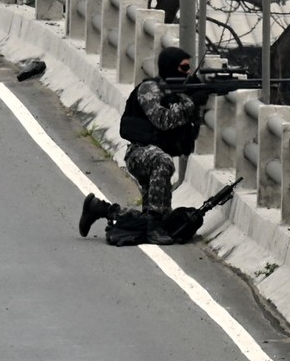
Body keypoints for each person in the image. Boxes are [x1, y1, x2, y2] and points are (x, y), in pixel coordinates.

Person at [79, 45, 208, 244]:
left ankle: (100, 208)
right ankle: (154, 228)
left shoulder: (178, 94)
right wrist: (190, 103)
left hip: (156, 159)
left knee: (158, 219)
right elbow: (162, 120)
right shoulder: (150, 89)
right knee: (163, 162)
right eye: (184, 68)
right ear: (170, 68)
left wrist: (195, 98)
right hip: (139, 154)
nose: (188, 72)